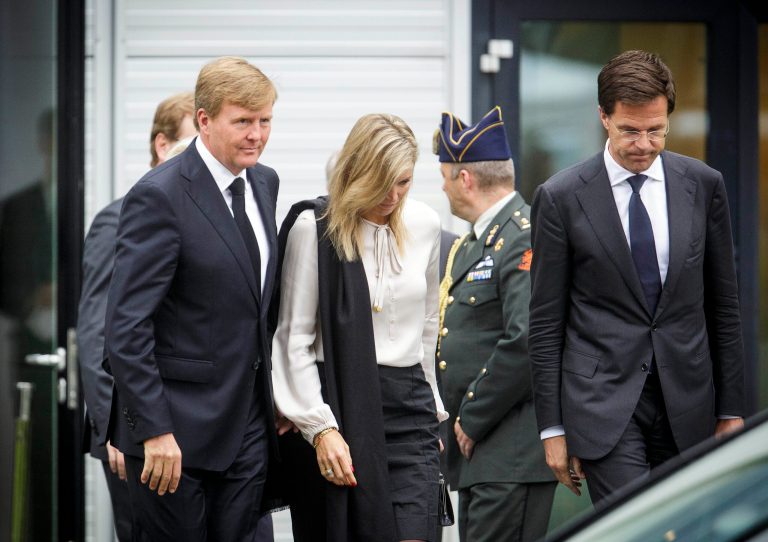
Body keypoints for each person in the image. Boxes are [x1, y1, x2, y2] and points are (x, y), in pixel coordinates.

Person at [528, 50, 745, 506]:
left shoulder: (703, 185)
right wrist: (552, 427)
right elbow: (546, 324)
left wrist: (730, 409)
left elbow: (723, 304)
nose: (643, 144)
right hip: (603, 404)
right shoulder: (561, 198)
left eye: (656, 130)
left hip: (688, 400)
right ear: (604, 117)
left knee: (686, 528)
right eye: (630, 130)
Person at [104, 56, 280, 541]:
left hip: (247, 430)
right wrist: (153, 430)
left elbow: (258, 306)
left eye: (265, 120)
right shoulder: (159, 195)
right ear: (204, 120)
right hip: (175, 441)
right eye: (242, 121)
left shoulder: (264, 183)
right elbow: (126, 327)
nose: (256, 135)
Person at [271, 113, 448, 542]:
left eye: (404, 182)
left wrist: (434, 409)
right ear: (356, 171)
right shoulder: (313, 230)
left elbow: (427, 324)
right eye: (382, 181)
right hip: (340, 404)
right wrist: (319, 428)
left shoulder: (424, 225)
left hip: (410, 411)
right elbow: (293, 338)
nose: (392, 195)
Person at [433, 106, 556, 541]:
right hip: (483, 455)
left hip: (509, 451)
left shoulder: (520, 235)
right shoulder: (476, 242)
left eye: (445, 177)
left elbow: (524, 339)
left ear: (464, 178)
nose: (444, 189)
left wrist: (470, 418)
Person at [78, 91, 196, 541]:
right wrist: (117, 426)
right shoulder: (120, 218)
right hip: (131, 435)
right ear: (163, 146)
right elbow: (97, 333)